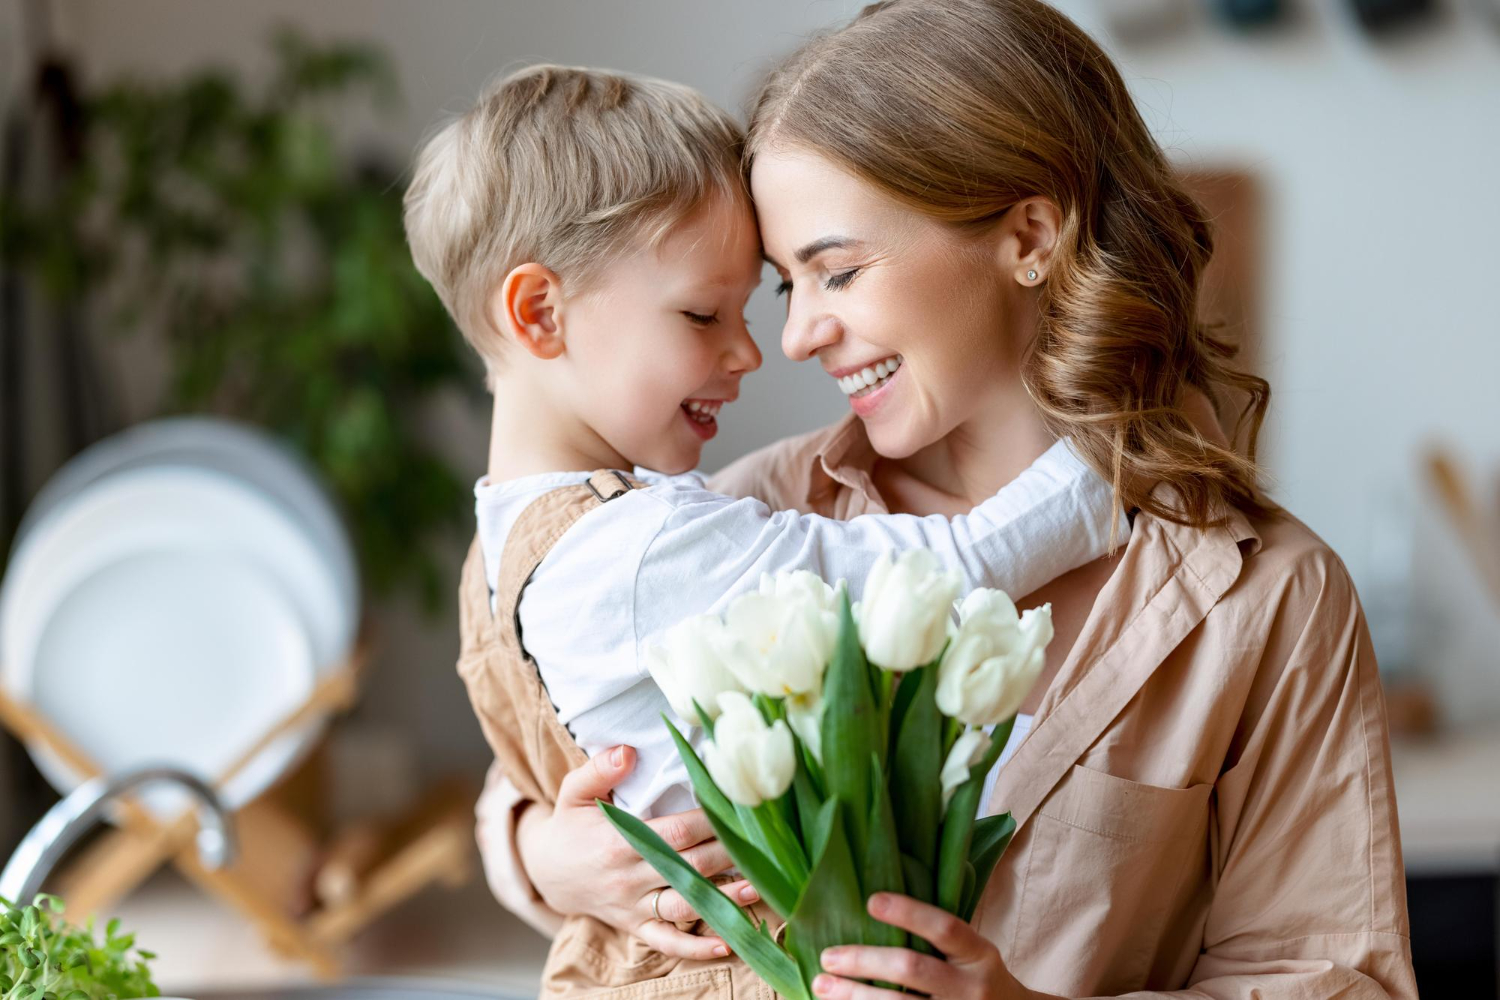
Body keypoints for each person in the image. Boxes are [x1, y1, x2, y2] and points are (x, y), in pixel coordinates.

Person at [474, 2, 1420, 998]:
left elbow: (1340, 979)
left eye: (836, 270)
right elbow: (552, 747)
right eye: (785, 288)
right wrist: (542, 850)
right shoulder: (747, 514)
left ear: (1029, 236)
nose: (793, 338)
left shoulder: (1268, 599)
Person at [403, 60, 1126, 997]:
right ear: (541, 312)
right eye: (704, 313)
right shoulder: (642, 549)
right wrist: (1111, 465)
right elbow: (944, 567)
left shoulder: (501, 552)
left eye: (756, 303)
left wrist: (540, 848)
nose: (753, 352)